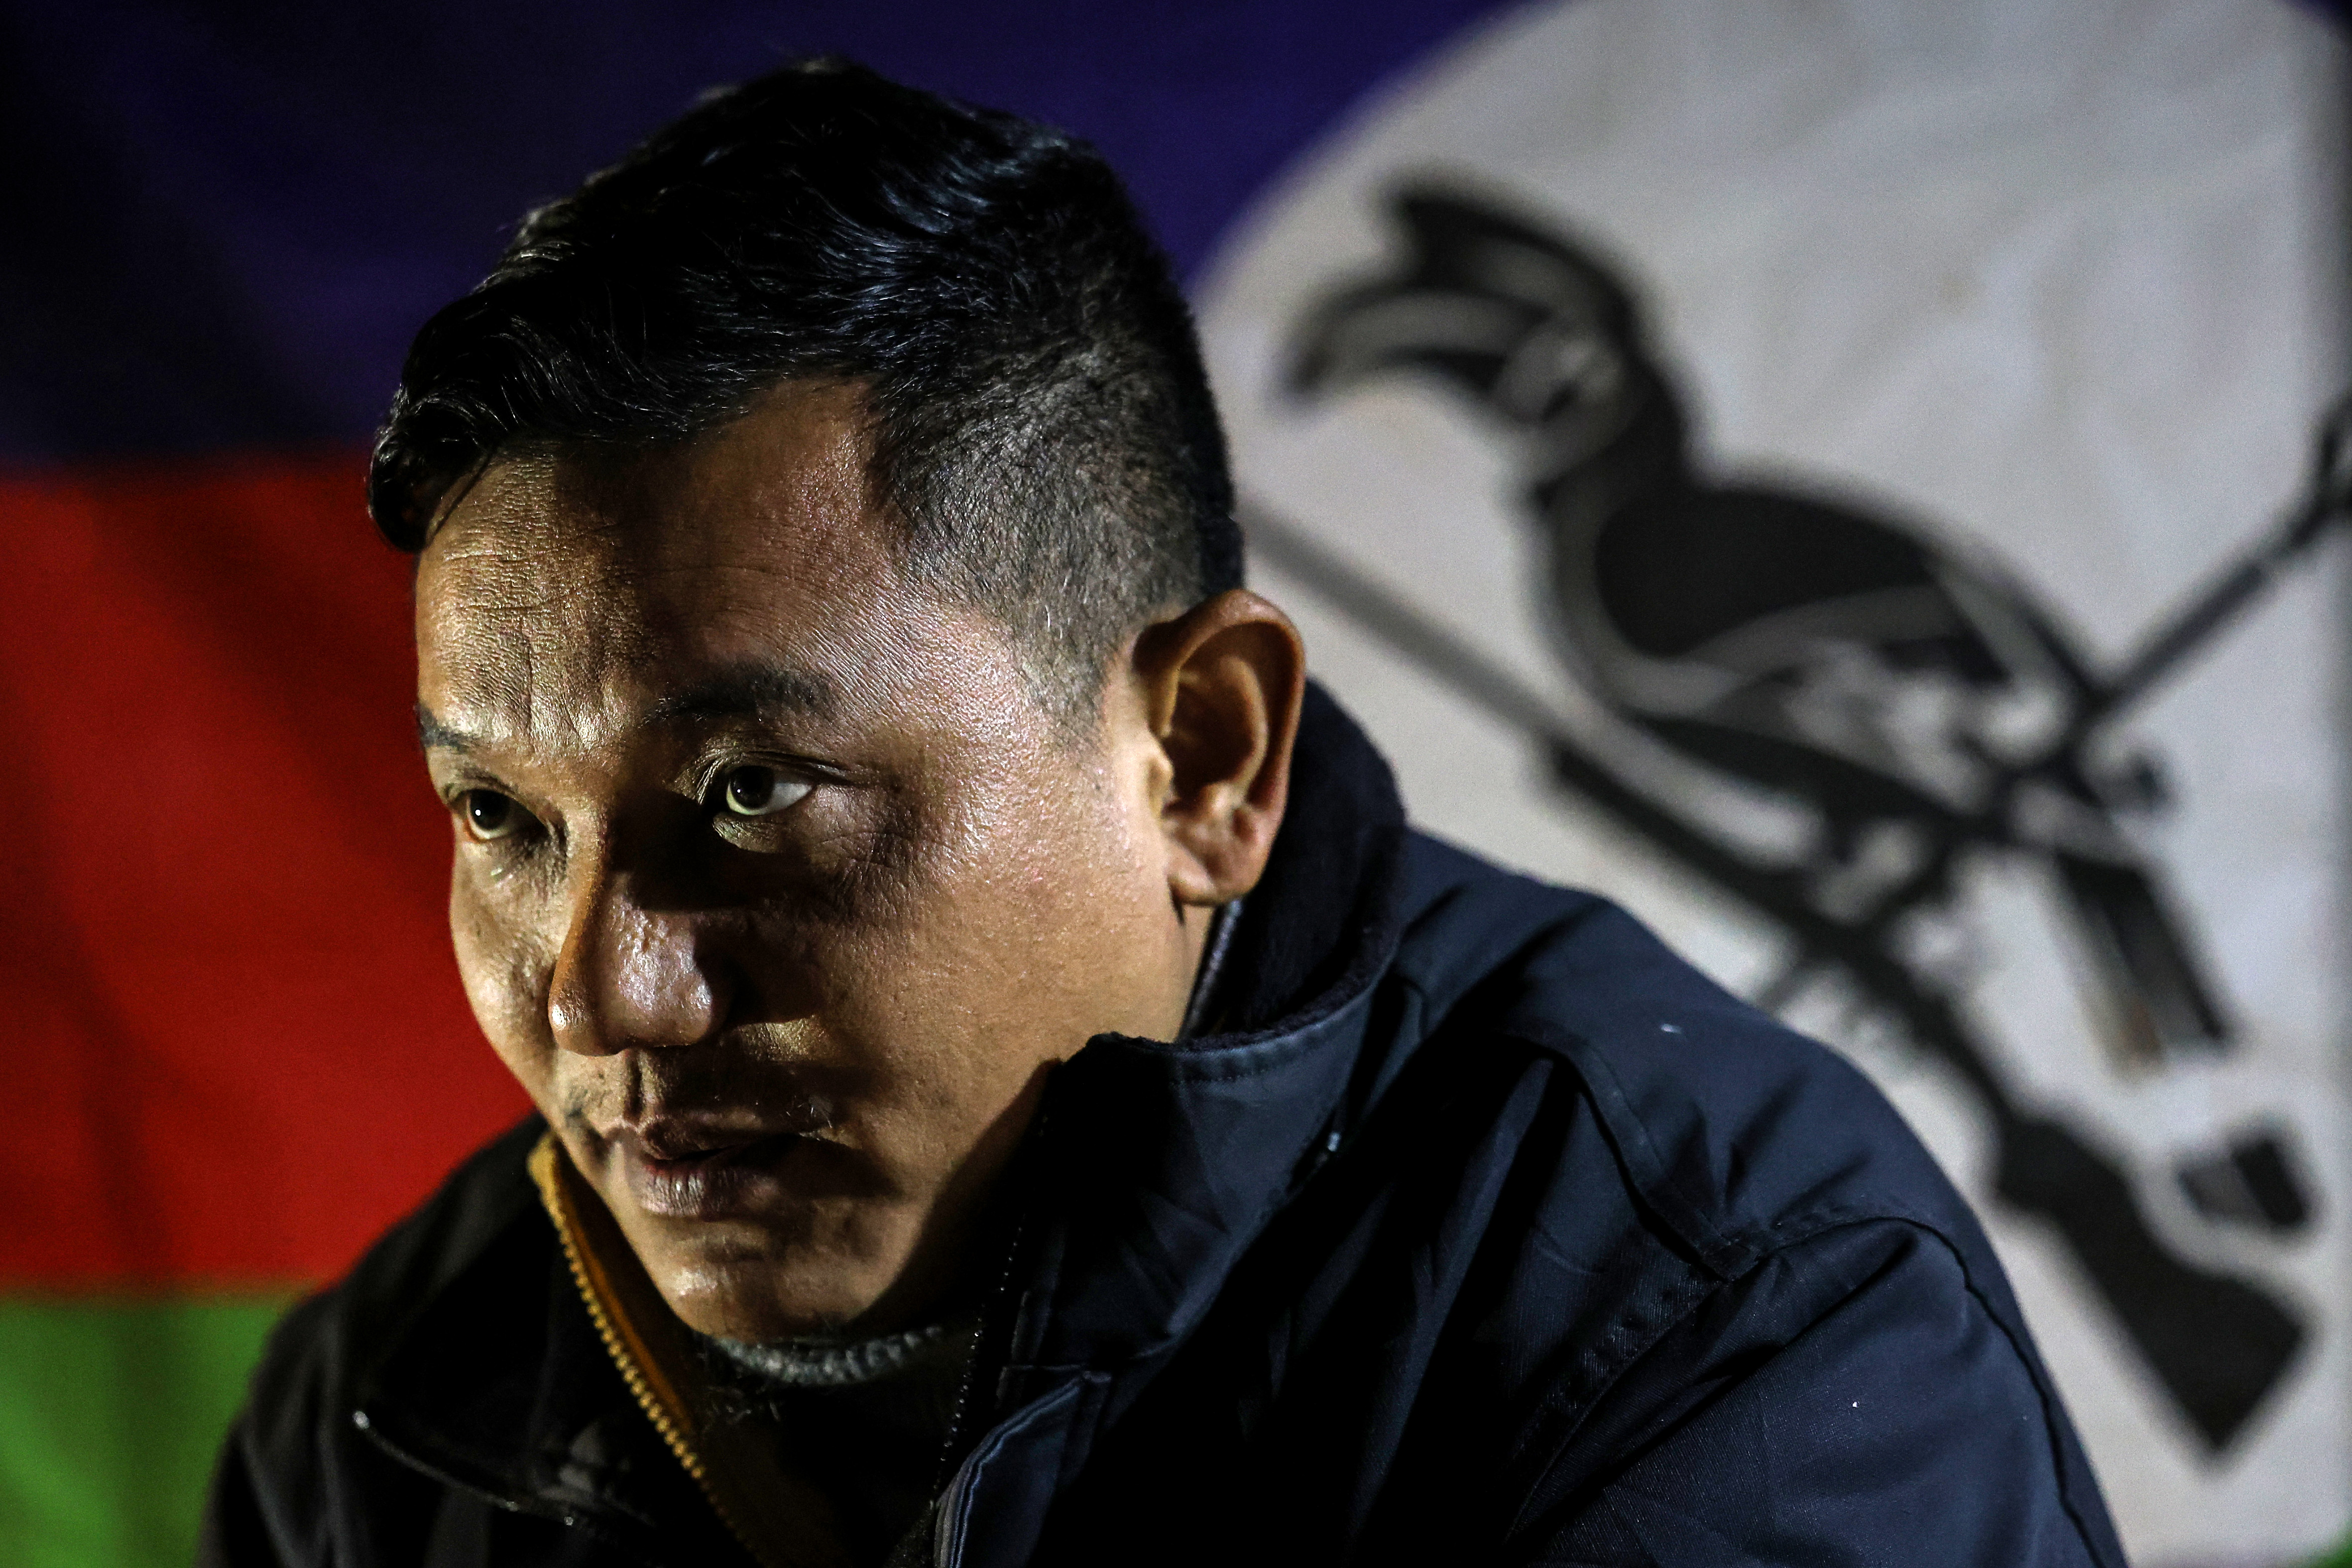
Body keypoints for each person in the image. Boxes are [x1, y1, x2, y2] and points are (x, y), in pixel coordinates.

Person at [200, 57, 2126, 1568]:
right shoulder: (389, 1410)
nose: (604, 998)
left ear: (1201, 758)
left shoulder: (1731, 1321)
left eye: (753, 794)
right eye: (498, 816)